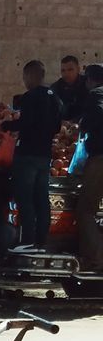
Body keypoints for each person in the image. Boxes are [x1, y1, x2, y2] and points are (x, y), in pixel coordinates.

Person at [0, 60, 63, 252]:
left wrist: (7, 126)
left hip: (27, 154)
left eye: (24, 77)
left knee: (24, 197)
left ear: (29, 76)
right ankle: (41, 242)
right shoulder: (54, 97)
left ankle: (27, 240)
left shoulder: (29, 97)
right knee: (41, 199)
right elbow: (58, 126)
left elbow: (26, 123)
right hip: (44, 156)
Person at [75, 61, 103, 270]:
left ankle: (95, 258)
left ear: (91, 80)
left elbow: (90, 122)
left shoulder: (95, 95)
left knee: (86, 209)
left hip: (100, 158)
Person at [51, 55, 88, 123]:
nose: (66, 73)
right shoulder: (56, 87)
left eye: (70, 70)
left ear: (78, 69)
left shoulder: (87, 84)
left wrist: (73, 121)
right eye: (63, 70)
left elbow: (92, 110)